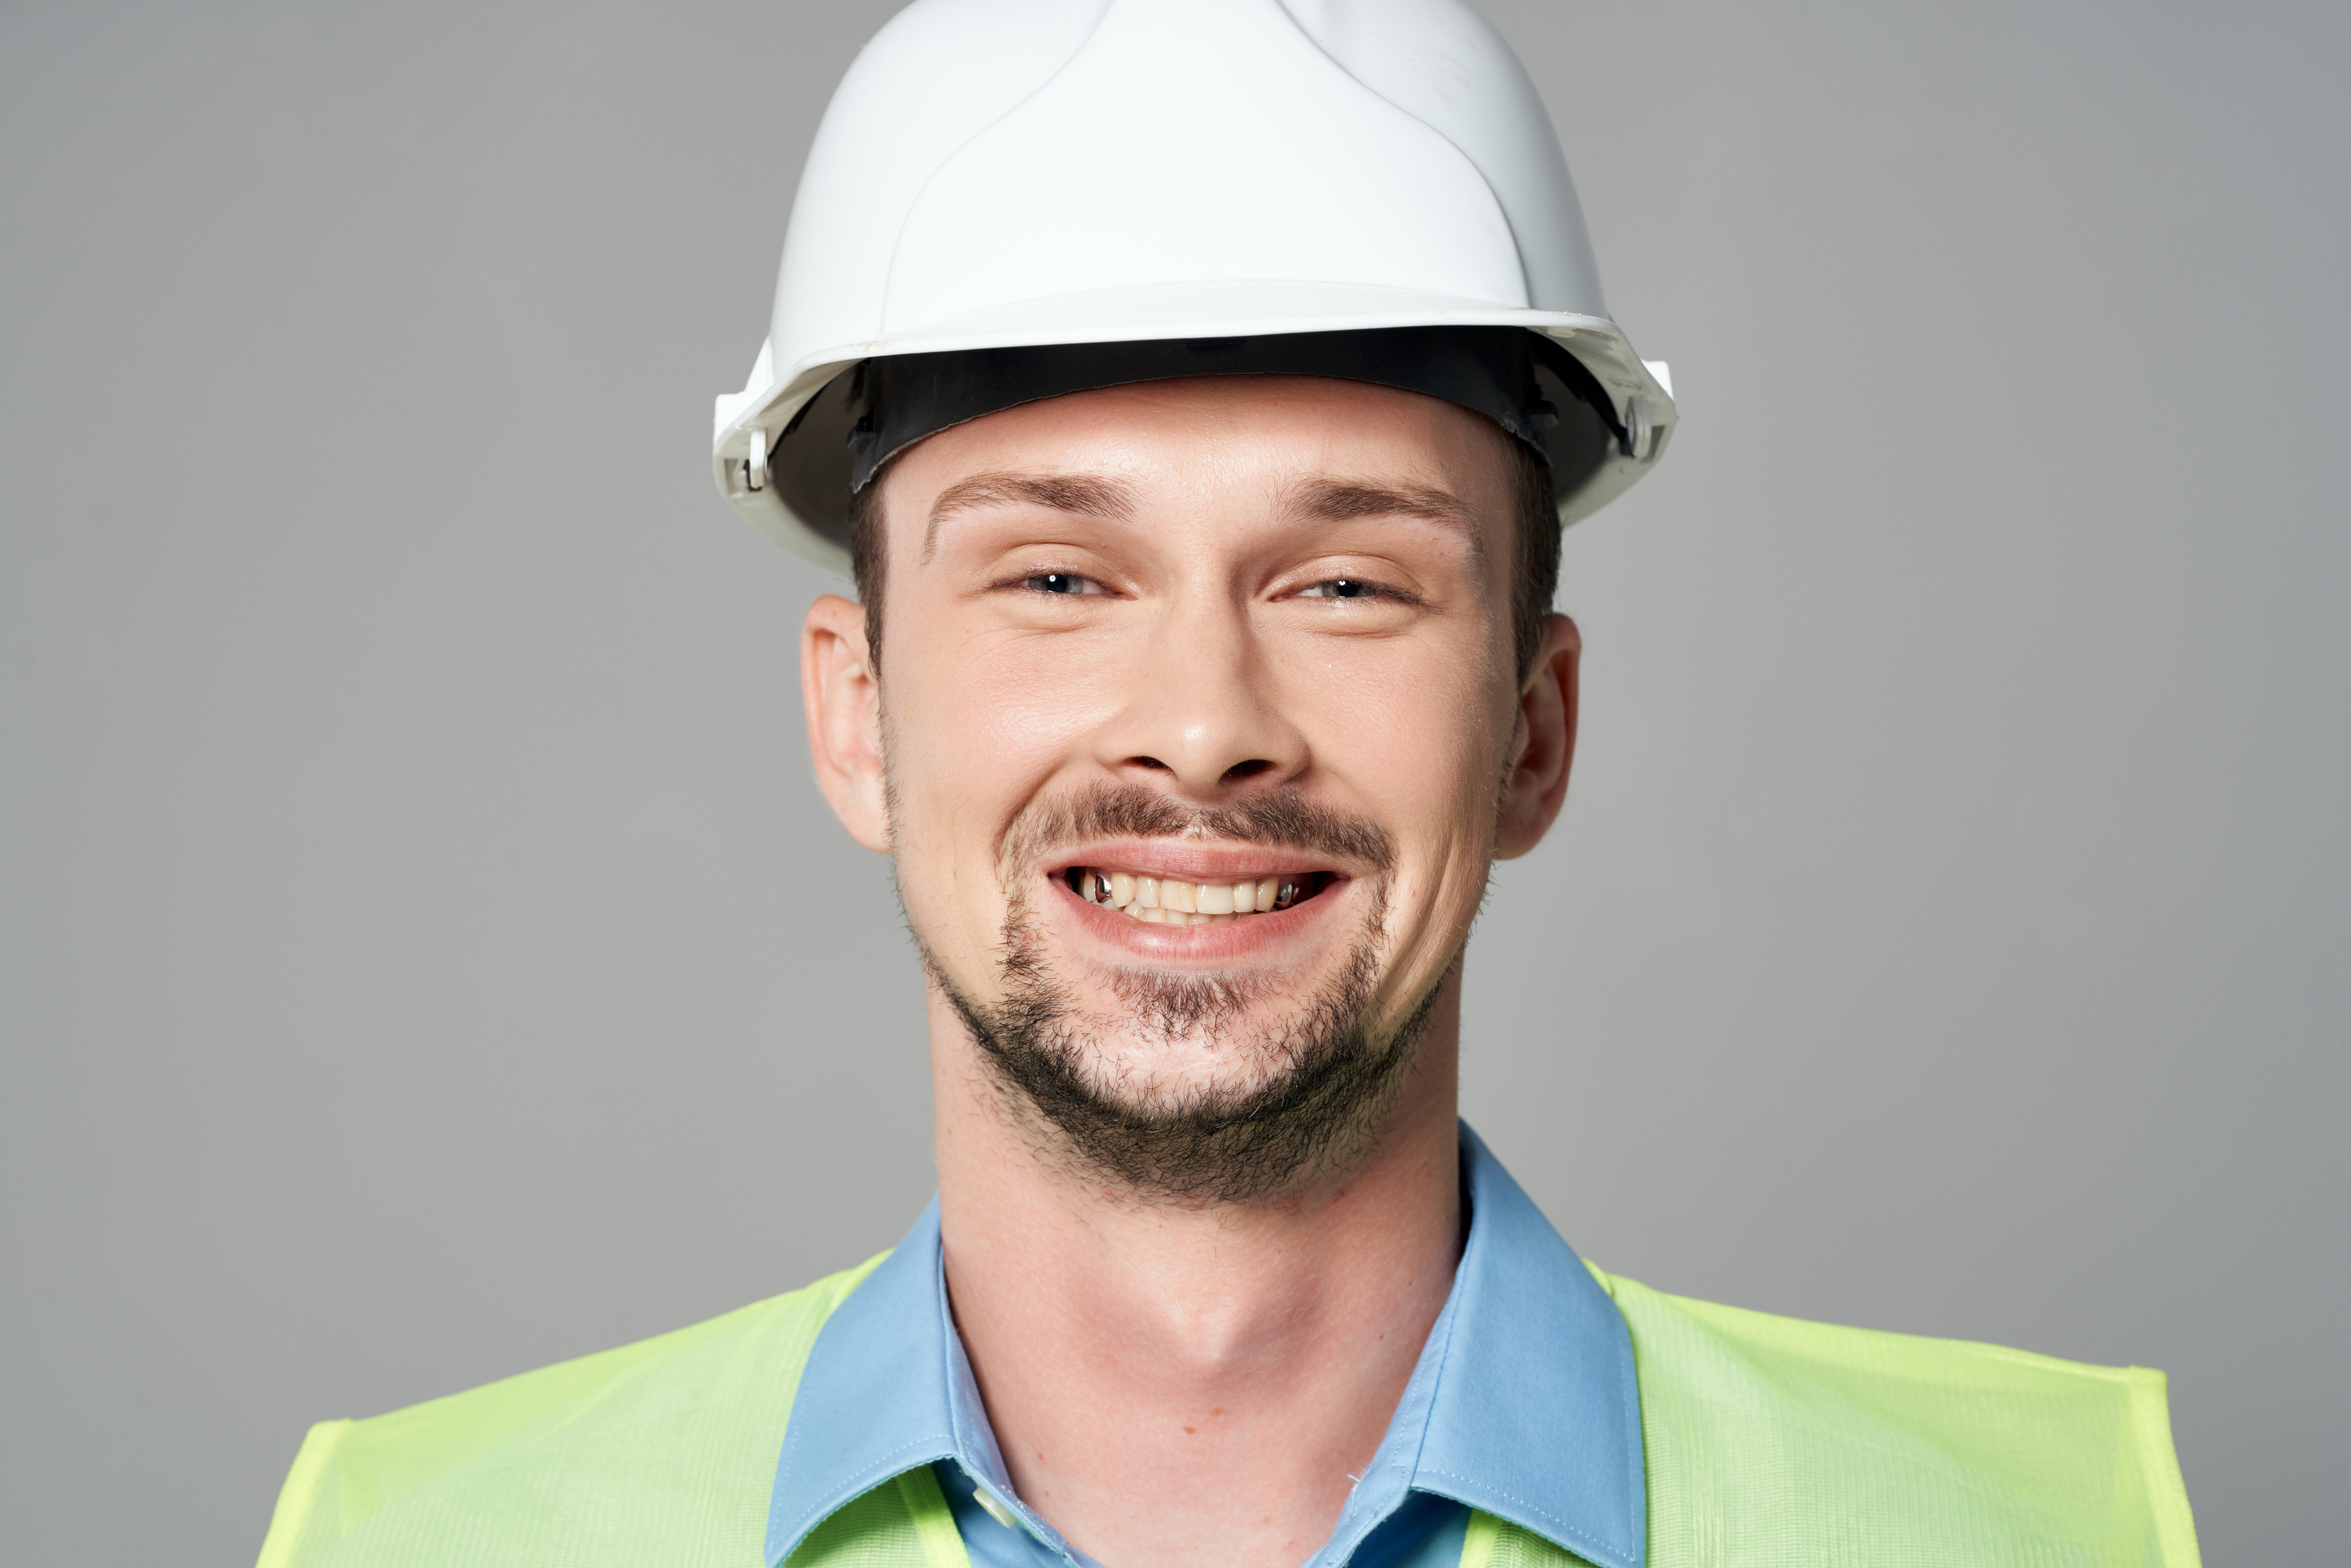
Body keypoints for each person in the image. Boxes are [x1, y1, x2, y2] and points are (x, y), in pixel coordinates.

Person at [256, 3, 2200, 1565]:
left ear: (1531, 730)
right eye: (1057, 577)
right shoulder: (421, 1539)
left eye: (1348, 580)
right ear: (859, 717)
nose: (1202, 726)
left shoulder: (2035, 1532)